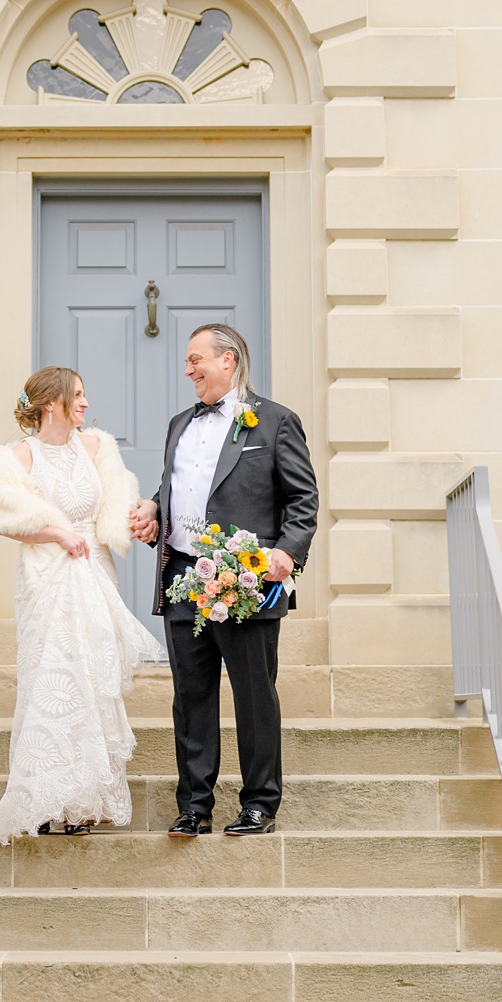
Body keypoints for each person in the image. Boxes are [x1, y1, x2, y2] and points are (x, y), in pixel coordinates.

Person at [128, 323, 318, 838]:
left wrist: (286, 553)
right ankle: (194, 806)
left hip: (245, 580)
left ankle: (259, 803)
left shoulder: (275, 421)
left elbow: (303, 502)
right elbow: (179, 485)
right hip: (184, 577)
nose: (188, 369)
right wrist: (152, 508)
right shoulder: (178, 425)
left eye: (196, 359)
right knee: (191, 698)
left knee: (255, 696)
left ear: (228, 360)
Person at [0, 365, 159, 842]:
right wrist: (57, 532)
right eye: (76, 396)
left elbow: (122, 505)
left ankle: (84, 802)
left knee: (92, 680)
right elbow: (5, 519)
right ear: (50, 403)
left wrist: (146, 512)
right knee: (51, 681)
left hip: (95, 575)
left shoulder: (99, 448)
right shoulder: (17, 458)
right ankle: (41, 799)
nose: (84, 403)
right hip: (48, 579)